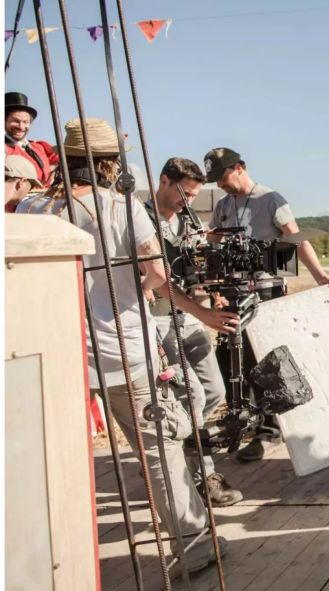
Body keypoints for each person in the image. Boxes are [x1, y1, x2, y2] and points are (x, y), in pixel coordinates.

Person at [17, 118, 229, 573]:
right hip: (125, 352)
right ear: (110, 164)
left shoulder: (34, 208)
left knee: (53, 458)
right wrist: (149, 286)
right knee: (158, 452)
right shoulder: (122, 207)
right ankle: (194, 547)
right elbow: (156, 273)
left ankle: (51, 565)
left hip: (58, 353)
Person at [204, 147, 329, 462]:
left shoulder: (271, 199)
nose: (220, 184)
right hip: (234, 292)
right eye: (215, 180)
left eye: (222, 176)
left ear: (240, 167)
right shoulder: (222, 205)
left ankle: (269, 431)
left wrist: (319, 275)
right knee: (233, 362)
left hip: (266, 292)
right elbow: (213, 246)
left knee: (264, 362)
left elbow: (297, 239)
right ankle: (246, 421)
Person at [145, 157, 243, 506]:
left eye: (193, 196)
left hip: (186, 315)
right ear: (164, 181)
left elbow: (197, 264)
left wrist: (214, 295)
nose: (187, 202)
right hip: (156, 318)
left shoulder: (187, 219)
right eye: (184, 194)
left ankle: (175, 460)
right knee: (193, 397)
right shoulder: (140, 218)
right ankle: (203, 478)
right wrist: (201, 310)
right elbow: (157, 281)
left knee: (214, 392)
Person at [5, 92, 58, 188]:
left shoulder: (39, 146)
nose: (21, 127)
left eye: (25, 122)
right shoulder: (5, 149)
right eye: (16, 121)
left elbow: (61, 158)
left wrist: (52, 170)